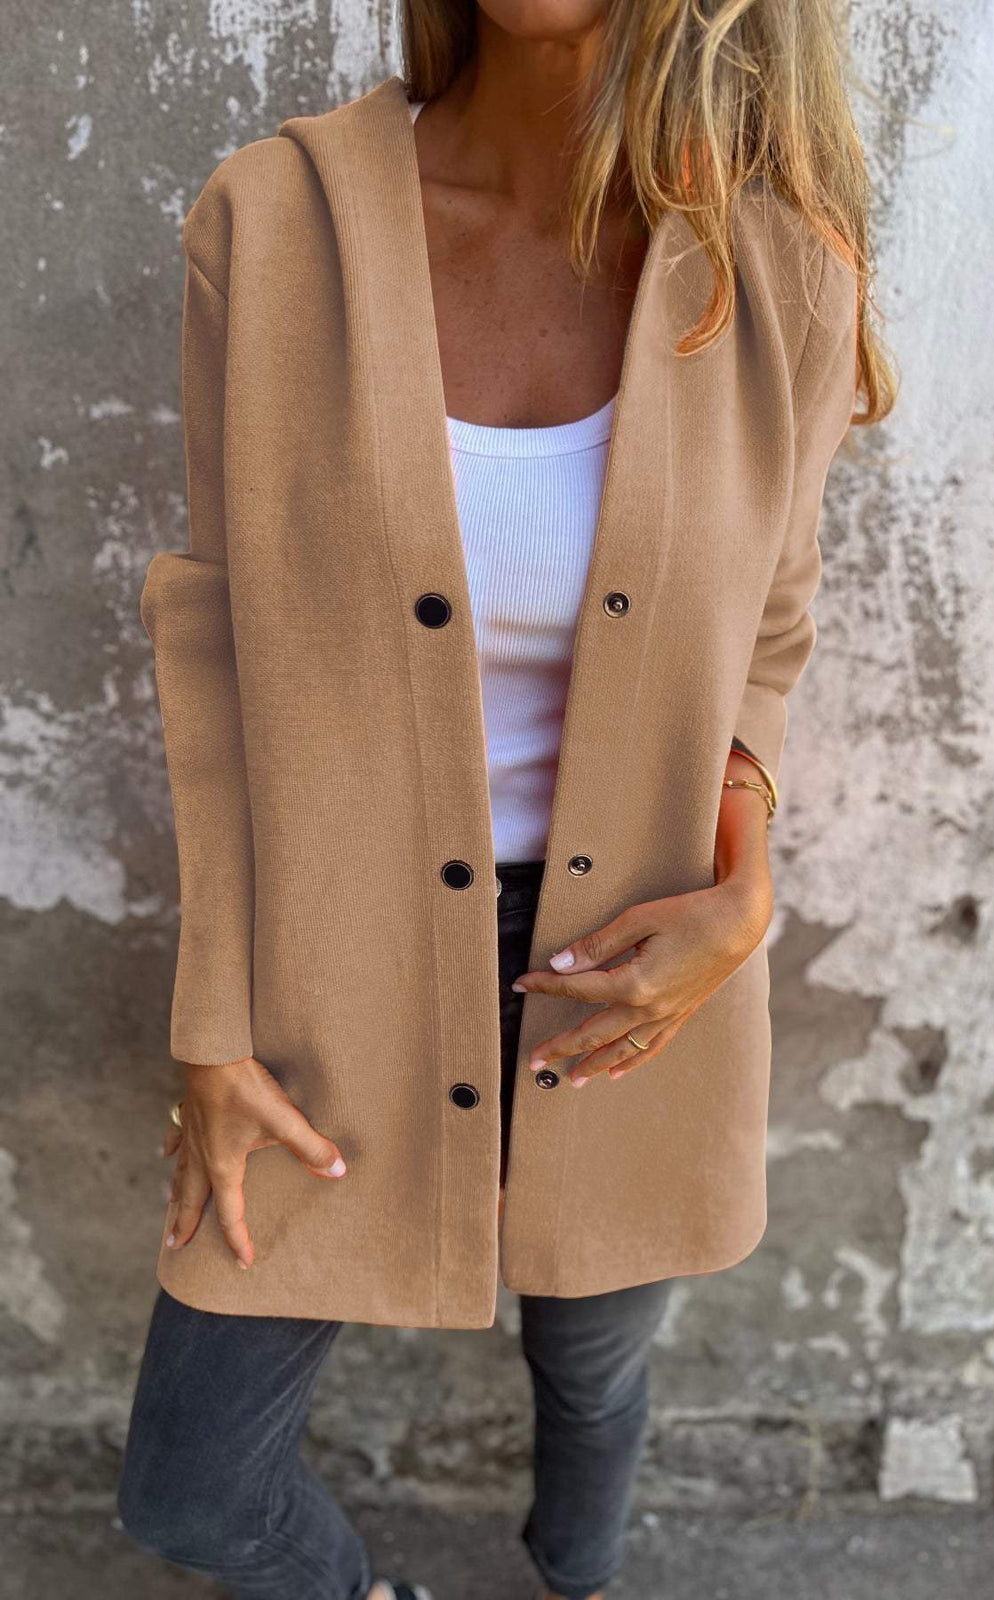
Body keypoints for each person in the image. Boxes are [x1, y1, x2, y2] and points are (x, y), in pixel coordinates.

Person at [118, 2, 895, 1596]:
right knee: (191, 1488)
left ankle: (578, 1578)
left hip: (630, 972)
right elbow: (217, 654)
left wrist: (741, 893)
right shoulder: (271, 227)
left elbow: (773, 629)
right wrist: (212, 1019)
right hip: (335, 968)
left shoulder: (781, 272)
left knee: (598, 1369)